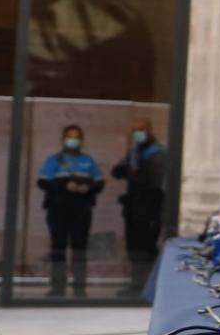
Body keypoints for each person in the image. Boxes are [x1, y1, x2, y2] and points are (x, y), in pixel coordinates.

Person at [36, 124, 104, 297]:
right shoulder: (54, 160)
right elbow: (43, 182)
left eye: (76, 137)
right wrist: (64, 185)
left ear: (81, 140)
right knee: (58, 247)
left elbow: (99, 182)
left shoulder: (88, 160)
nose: (72, 140)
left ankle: (79, 288)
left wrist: (87, 188)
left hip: (81, 210)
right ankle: (58, 287)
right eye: (69, 136)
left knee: (80, 248)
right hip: (58, 209)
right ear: (63, 139)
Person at [110, 117, 168, 296]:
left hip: (150, 209)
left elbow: (152, 181)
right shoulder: (135, 152)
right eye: (135, 130)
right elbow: (116, 171)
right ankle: (136, 285)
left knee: (147, 248)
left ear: (150, 130)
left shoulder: (157, 152)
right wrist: (130, 171)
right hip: (133, 208)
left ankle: (148, 287)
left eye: (141, 129)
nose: (138, 134)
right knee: (134, 248)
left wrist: (133, 173)